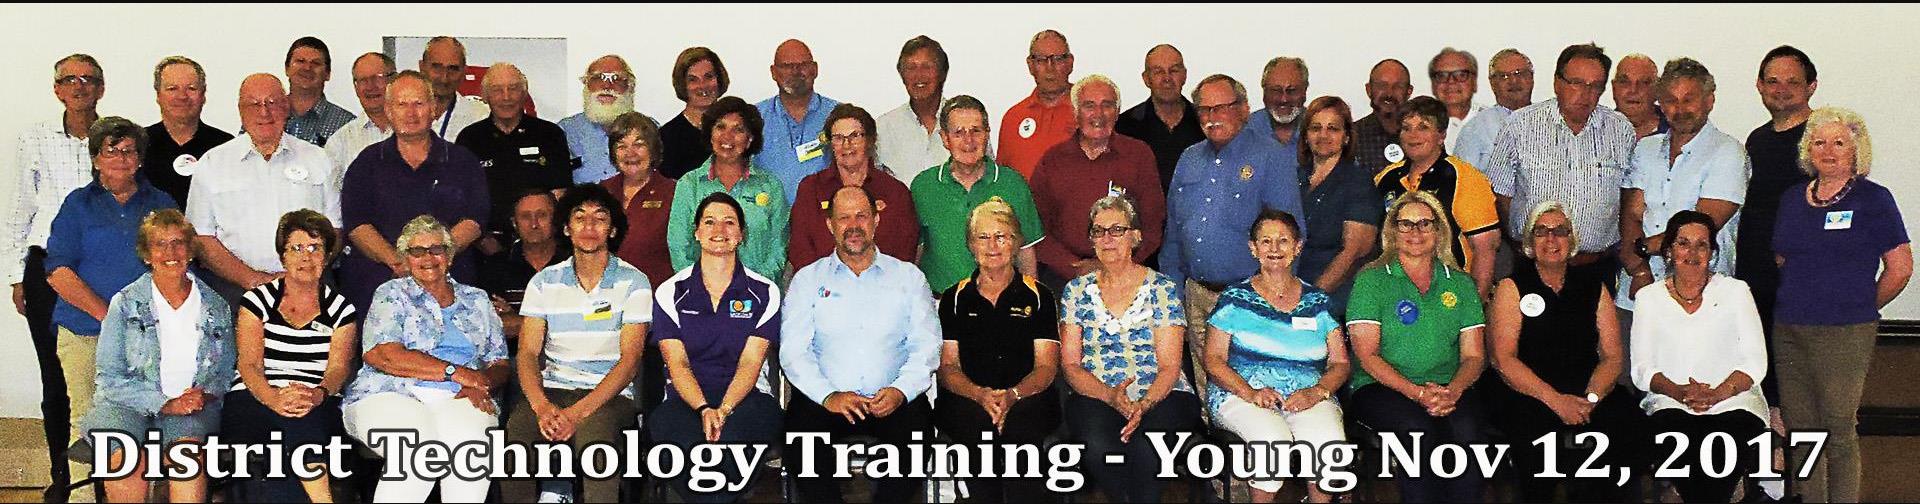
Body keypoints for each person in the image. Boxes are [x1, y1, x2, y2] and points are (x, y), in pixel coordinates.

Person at [1772, 107, 1912, 503]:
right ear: (1808, 150)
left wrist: (1859, 304)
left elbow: (1900, 268)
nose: (1828, 150)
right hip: (1790, 328)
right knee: (1802, 430)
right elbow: (1783, 258)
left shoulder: (1874, 199)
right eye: (1819, 142)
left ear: (1856, 150)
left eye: (1838, 143)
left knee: (1837, 427)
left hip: (1846, 332)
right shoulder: (1792, 198)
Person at [782, 186, 941, 503]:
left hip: (893, 398)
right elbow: (794, 352)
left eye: (861, 216)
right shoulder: (807, 280)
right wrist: (828, 396)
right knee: (801, 441)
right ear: (830, 225)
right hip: (826, 399)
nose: (853, 225)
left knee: (915, 442)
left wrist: (900, 391)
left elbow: (926, 347)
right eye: (844, 218)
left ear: (876, 220)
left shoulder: (909, 278)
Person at [343, 215, 512, 503]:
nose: (428, 258)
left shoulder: (477, 299)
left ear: (450, 256)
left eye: (436, 249)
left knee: (471, 452)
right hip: (389, 393)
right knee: (417, 451)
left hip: (461, 395)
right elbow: (383, 355)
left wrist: (482, 382)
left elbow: (500, 363)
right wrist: (455, 372)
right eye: (417, 251)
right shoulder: (391, 294)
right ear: (405, 259)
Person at [504, 183, 651, 503]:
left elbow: (630, 361)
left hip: (609, 394)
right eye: (580, 217)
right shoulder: (543, 281)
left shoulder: (634, 281)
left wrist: (577, 413)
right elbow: (527, 353)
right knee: (517, 434)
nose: (589, 226)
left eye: (600, 218)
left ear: (612, 230)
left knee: (596, 442)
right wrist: (542, 407)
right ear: (566, 228)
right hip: (554, 389)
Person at [45, 117, 178, 470]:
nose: (121, 158)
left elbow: (177, 266)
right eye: (111, 151)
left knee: (147, 421)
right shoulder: (77, 205)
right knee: (86, 422)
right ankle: (83, 494)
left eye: (129, 151)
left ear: (140, 159)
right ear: (95, 158)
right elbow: (57, 271)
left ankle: (140, 492)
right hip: (85, 331)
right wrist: (110, 316)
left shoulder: (162, 204)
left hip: (148, 335)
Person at [1162, 74, 1306, 396]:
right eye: (1204, 110)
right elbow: (1173, 233)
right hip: (1197, 295)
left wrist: (1276, 299)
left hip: (1251, 297)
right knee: (1207, 390)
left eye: (1221, 108)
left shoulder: (1271, 156)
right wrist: (1174, 296)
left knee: (1254, 386)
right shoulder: (1188, 158)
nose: (1212, 117)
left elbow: (1290, 234)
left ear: (1243, 108)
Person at [1345, 190, 1491, 503]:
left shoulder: (1461, 283)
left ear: (1439, 231)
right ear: (1392, 230)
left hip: (1449, 387)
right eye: (1406, 224)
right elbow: (1367, 356)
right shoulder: (1371, 280)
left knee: (1467, 432)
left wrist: (1452, 391)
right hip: (1381, 387)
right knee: (1418, 432)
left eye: (1425, 223)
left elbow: (1474, 356)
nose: (1416, 232)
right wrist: (1419, 394)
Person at [1487, 201, 1638, 501]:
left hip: (1586, 388)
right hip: (1529, 389)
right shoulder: (1511, 287)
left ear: (1571, 240)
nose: (1551, 239)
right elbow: (1503, 359)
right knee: (1533, 435)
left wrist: (1591, 399)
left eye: (1560, 231)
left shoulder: (1595, 287)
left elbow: (1612, 356)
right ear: (1529, 242)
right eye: (1541, 231)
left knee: (1627, 425)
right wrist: (1556, 402)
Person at [82, 209, 235, 503]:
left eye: (178, 243)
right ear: (146, 254)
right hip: (126, 406)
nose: (170, 252)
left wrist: (203, 395)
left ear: (191, 250)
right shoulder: (125, 303)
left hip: (191, 408)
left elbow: (226, 372)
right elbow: (110, 378)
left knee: (187, 458)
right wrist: (163, 403)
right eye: (160, 244)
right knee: (128, 460)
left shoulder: (217, 306)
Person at [1201, 209, 1349, 503]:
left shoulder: (1318, 301)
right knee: (1272, 443)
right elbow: (1213, 360)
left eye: (1283, 240)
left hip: (1307, 393)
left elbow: (1340, 363)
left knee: (1329, 445)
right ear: (1253, 248)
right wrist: (1250, 392)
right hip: (1242, 393)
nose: (1274, 248)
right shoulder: (1234, 299)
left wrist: (1317, 392)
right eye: (1265, 241)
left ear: (1298, 247)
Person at [1060, 195, 1200, 503]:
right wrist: (1110, 396)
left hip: (1162, 393)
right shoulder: (1076, 291)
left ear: (1135, 236)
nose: (1107, 238)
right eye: (1098, 231)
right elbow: (1070, 365)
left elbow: (1170, 366)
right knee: (1100, 448)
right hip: (1096, 392)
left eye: (1117, 230)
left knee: (1148, 449)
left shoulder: (1162, 288)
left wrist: (1143, 405)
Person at [10, 58, 109, 488]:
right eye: (69, 79)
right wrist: (17, 276)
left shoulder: (115, 136)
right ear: (57, 90)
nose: (79, 86)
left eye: (88, 79)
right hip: (47, 269)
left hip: (101, 268)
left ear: (101, 88)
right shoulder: (34, 139)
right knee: (56, 378)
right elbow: (20, 208)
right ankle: (62, 477)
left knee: (105, 378)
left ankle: (107, 477)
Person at [649, 192, 785, 503]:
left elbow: (751, 363)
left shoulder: (765, 292)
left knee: (729, 451)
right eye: (709, 222)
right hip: (685, 400)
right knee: (682, 452)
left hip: (748, 398)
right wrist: (703, 409)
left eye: (729, 222)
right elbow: (677, 363)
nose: (719, 230)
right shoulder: (670, 291)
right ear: (696, 232)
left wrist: (723, 410)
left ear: (741, 234)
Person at [1629, 210, 1769, 502]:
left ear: (1712, 253)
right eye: (1683, 243)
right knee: (1679, 442)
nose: (1692, 253)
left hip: (1733, 401)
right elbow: (1642, 370)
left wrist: (1717, 394)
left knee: (1721, 448)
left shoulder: (1736, 291)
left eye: (1701, 245)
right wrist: (1679, 393)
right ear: (1668, 251)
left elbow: (1755, 362)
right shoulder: (1648, 298)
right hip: (1670, 402)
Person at [221, 209, 358, 503]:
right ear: (283, 256)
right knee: (291, 431)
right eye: (296, 248)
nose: (306, 257)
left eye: (315, 248)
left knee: (301, 425)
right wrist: (273, 398)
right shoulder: (257, 300)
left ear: (327, 256)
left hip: (317, 397)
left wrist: (317, 395)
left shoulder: (341, 309)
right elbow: (249, 364)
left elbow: (338, 369)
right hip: (254, 395)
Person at [935, 198, 1061, 503]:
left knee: (1021, 437)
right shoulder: (954, 298)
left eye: (1001, 236)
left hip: (1028, 396)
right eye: (983, 237)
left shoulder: (1039, 296)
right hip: (969, 397)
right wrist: (981, 395)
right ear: (971, 245)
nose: (992, 246)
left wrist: (1013, 396)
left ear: (1015, 243)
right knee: (978, 433)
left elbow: (1046, 367)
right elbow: (948, 367)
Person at [339, 70, 490, 315]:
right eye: (402, 104)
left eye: (418, 104)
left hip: (451, 291)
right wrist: (400, 262)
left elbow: (476, 219)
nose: (411, 113)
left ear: (433, 109)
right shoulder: (366, 163)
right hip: (381, 291)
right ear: (388, 110)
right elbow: (356, 225)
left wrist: (433, 258)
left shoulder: (463, 161)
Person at [1483, 43, 1635, 276]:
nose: (1585, 93)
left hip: (1596, 267)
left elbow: (1628, 200)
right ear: (1557, 83)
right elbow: (1499, 196)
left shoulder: (1621, 130)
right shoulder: (1520, 125)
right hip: (1531, 266)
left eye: (1594, 86)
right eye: (1576, 83)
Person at [188, 73, 341, 300]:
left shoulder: (320, 159)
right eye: (254, 104)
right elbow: (201, 237)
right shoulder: (212, 163)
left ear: (286, 107)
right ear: (240, 110)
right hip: (235, 291)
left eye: (272, 102)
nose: (264, 112)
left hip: (310, 288)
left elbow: (336, 229)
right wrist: (253, 279)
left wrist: (301, 274)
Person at [1617, 58, 1747, 312]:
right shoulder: (1646, 149)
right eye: (1671, 100)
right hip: (1637, 292)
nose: (1680, 109)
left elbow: (1699, 228)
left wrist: (1641, 247)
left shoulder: (1728, 152)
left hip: (1702, 298)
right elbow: (1631, 215)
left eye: (1689, 99)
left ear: (1709, 101)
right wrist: (1640, 270)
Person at [1736, 45, 1817, 412]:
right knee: (1767, 384)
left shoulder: (1821, 139)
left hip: (1802, 284)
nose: (1781, 90)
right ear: (1759, 85)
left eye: (1792, 82)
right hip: (1757, 279)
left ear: (1811, 86)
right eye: (1772, 81)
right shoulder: (1758, 139)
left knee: (1802, 388)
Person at [1031, 74, 1165, 289]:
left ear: (1118, 112)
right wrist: (1073, 267)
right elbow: (1036, 226)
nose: (1098, 114)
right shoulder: (1053, 160)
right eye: (1089, 106)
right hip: (1065, 279)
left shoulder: (1139, 155)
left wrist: (1116, 264)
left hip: (1127, 276)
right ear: (1075, 113)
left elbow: (1153, 223)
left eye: (1107, 105)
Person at [910, 95, 1045, 293]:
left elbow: (1026, 254)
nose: (968, 141)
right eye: (959, 132)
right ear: (945, 138)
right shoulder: (923, 186)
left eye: (976, 131)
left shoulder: (1013, 183)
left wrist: (1033, 301)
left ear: (987, 134)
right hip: (940, 302)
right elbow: (916, 251)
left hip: (1002, 301)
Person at [1373, 96, 1501, 299]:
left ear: (1441, 135)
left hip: (1450, 293)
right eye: (1406, 128)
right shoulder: (1385, 178)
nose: (1413, 135)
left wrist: (1473, 307)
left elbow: (1485, 249)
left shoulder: (1466, 178)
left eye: (1423, 127)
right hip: (1393, 291)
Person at [456, 63, 573, 255]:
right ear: (484, 96)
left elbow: (560, 195)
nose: (506, 97)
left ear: (524, 93)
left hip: (541, 245)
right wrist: (482, 240)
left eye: (513, 88)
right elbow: (461, 199)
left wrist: (541, 240)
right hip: (484, 247)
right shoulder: (470, 138)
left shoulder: (550, 134)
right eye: (497, 90)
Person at [667, 96, 789, 280]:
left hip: (759, 292)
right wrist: (705, 288)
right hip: (701, 292)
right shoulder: (690, 185)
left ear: (749, 139)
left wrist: (752, 288)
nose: (727, 137)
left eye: (738, 130)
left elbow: (778, 249)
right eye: (720, 127)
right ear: (710, 134)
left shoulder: (770, 186)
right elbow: (679, 248)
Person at [789, 104, 920, 268]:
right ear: (830, 144)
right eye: (838, 138)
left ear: (870, 140)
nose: (847, 145)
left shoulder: (895, 192)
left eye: (855, 136)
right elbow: (799, 248)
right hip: (821, 282)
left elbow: (905, 249)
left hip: (884, 281)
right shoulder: (811, 189)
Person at [1295, 96, 1381, 315]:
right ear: (1305, 136)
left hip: (1334, 297)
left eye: (1332, 128)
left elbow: (1353, 252)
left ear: (1346, 137)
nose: (1323, 135)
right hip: (1292, 289)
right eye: (1316, 128)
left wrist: (1311, 299)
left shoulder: (1357, 181)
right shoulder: (1294, 178)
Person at [755, 39, 841, 202]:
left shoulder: (839, 116)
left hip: (823, 214)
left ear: (815, 69)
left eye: (803, 65)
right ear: (773, 72)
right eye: (787, 66)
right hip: (768, 215)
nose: (795, 71)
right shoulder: (754, 117)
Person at [143, 55, 233, 206]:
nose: (182, 96)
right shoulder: (138, 144)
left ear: (203, 95)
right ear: (158, 95)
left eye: (191, 88)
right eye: (172, 89)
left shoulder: (225, 147)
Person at [600, 111, 678, 287]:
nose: (630, 153)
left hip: (655, 291)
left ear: (653, 149)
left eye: (639, 144)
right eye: (621, 146)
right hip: (608, 292)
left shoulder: (673, 193)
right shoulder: (602, 191)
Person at [479, 189, 568, 340]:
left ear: (556, 220)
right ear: (514, 223)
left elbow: (583, 322)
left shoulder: (574, 262)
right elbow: (493, 325)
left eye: (542, 215)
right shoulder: (495, 266)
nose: (534, 224)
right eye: (526, 217)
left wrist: (516, 318)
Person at [1115, 44, 1204, 192]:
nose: (1167, 78)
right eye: (1158, 72)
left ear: (1184, 75)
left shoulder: (1205, 123)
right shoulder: (1124, 127)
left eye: (1174, 70)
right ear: (1146, 79)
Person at [998, 29, 1077, 179]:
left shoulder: (1090, 114)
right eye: (1041, 60)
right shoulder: (1013, 118)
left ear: (1070, 63)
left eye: (1058, 59)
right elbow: (1002, 179)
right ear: (1030, 65)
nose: (1050, 68)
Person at [875, 35, 952, 184]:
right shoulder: (883, 128)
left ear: (942, 73)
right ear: (902, 76)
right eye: (911, 68)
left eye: (927, 67)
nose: (919, 75)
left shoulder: (966, 124)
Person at [560, 54, 640, 184]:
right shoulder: (565, 131)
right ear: (586, 84)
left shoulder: (648, 129)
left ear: (630, 87)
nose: (607, 86)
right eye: (598, 78)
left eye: (616, 79)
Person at [1452, 48, 1533, 172]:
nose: (1513, 81)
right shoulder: (1474, 130)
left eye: (1519, 73)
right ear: (1493, 83)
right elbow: (1463, 180)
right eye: (1504, 76)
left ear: (1531, 77)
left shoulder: (1550, 122)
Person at [659, 48, 728, 179]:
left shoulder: (736, 130)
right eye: (693, 80)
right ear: (682, 85)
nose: (702, 85)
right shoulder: (666, 138)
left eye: (709, 77)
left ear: (719, 79)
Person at [325, 52, 398, 175]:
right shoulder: (340, 142)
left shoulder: (418, 130)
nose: (370, 86)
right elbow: (331, 187)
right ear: (356, 88)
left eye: (377, 78)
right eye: (363, 81)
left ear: (395, 80)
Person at [283, 36, 356, 147]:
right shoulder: (264, 116)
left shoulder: (347, 125)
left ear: (327, 74)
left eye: (316, 63)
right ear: (287, 69)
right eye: (300, 61)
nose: (307, 68)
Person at [418, 36, 491, 139]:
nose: (444, 78)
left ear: (464, 72)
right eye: (437, 67)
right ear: (422, 67)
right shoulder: (401, 113)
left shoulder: (481, 117)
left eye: (453, 69)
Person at [1352, 59, 1412, 175]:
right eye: (1382, 86)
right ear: (1369, 89)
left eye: (1398, 86)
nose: (1389, 93)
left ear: (1409, 91)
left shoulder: (1424, 137)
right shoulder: (1351, 138)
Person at [1245, 56, 1311, 150]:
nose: (1284, 99)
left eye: (1292, 91)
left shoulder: (1322, 131)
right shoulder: (1243, 130)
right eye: (1276, 91)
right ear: (1264, 91)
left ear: (1305, 90)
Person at [1429, 47, 1485, 151]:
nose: (1451, 82)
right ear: (1433, 85)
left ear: (1474, 83)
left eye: (1461, 75)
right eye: (1442, 76)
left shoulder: (1495, 123)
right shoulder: (1416, 125)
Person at [1612, 54, 1668, 140]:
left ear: (1657, 89)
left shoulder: (1676, 128)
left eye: (1644, 82)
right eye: (1624, 82)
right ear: (1614, 87)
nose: (1633, 90)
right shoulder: (1597, 130)